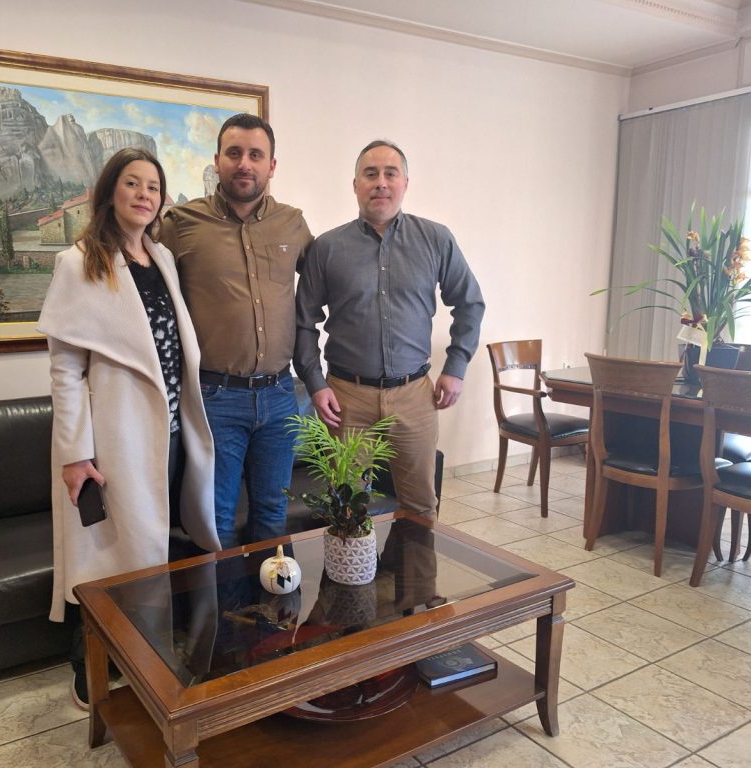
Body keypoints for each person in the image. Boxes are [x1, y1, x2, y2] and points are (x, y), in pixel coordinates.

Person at [36, 147, 220, 709]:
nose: (144, 195)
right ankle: (89, 669)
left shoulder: (162, 258)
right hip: (115, 438)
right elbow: (66, 370)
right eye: (132, 183)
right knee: (104, 560)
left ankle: (149, 661)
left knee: (156, 550)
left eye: (153, 187)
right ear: (110, 192)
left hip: (171, 434)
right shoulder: (79, 262)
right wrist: (74, 454)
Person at [294, 140, 485, 518]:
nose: (380, 182)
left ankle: (411, 562)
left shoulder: (436, 239)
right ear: (355, 185)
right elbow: (303, 321)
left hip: (415, 397)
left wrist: (456, 367)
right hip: (347, 399)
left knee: (420, 507)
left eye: (390, 174)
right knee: (345, 512)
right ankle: (354, 562)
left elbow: (470, 303)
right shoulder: (327, 248)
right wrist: (315, 383)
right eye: (371, 174)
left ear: (405, 183)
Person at [159, 114, 313, 549]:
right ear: (217, 160)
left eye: (255, 155)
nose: (245, 163)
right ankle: (223, 598)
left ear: (271, 165)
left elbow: (329, 285)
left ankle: (271, 595)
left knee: (272, 512)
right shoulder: (180, 223)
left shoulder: (293, 223)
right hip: (215, 398)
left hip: (280, 395)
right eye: (234, 153)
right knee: (216, 520)